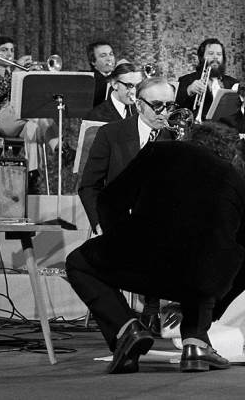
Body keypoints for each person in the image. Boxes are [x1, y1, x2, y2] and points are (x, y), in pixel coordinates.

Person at [66, 123, 245, 374]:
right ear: (230, 152)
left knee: (79, 262)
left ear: (191, 139)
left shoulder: (158, 152)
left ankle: (126, 329)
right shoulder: (240, 186)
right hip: (201, 279)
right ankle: (196, 342)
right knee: (211, 255)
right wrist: (215, 305)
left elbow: (110, 200)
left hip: (144, 257)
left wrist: (119, 240)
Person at [78, 76, 176, 333]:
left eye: (170, 105)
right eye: (157, 105)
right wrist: (100, 222)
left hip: (166, 223)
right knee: (83, 263)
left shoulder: (178, 136)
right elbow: (89, 185)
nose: (164, 112)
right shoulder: (111, 133)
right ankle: (125, 322)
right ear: (139, 103)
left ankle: (154, 310)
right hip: (122, 221)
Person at [0, 36, 61, 190]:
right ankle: (61, 147)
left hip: (19, 121)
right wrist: (18, 71)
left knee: (33, 127)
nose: (9, 54)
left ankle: (32, 176)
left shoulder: (14, 74)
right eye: (4, 50)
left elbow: (32, 96)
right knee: (33, 111)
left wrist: (33, 78)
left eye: (12, 50)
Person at [175, 38, 238, 119]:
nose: (215, 57)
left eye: (219, 54)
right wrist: (189, 90)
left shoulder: (233, 83)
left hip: (226, 130)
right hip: (199, 129)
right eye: (211, 53)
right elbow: (176, 110)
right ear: (201, 57)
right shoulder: (186, 80)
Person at [87, 41, 116, 107]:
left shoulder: (120, 77)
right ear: (93, 61)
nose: (109, 59)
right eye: (103, 56)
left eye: (111, 54)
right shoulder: (88, 80)